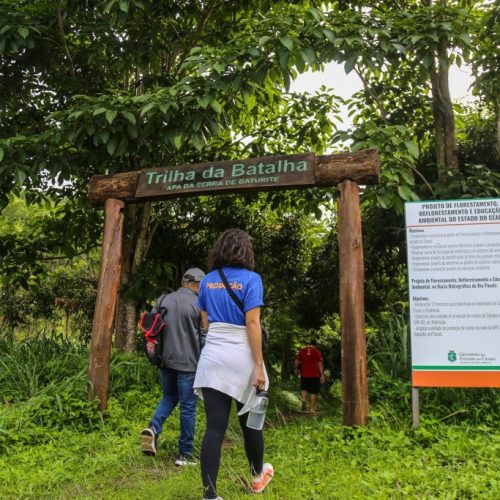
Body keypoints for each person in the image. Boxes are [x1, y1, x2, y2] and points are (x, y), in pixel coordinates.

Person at [193, 228, 274, 500]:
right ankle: (256, 477)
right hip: (242, 355)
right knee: (251, 424)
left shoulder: (206, 282)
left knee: (214, 428)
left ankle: (210, 495)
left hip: (213, 355)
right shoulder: (252, 279)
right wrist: (259, 365)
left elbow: (206, 323)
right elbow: (253, 323)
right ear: (245, 251)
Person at [141, 267, 206, 466]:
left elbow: (150, 327)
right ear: (197, 284)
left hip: (165, 360)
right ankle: (185, 455)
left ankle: (153, 427)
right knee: (188, 407)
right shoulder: (199, 304)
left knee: (169, 397)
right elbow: (204, 337)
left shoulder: (162, 300)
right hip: (188, 364)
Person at [294, 340, 325, 416]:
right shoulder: (317, 352)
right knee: (313, 392)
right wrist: (322, 375)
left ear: (309, 344)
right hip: (315, 375)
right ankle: (312, 409)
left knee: (304, 388)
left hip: (304, 374)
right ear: (315, 345)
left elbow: (296, 361)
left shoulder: (302, 351)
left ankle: (304, 400)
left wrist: (296, 369)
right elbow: (320, 364)